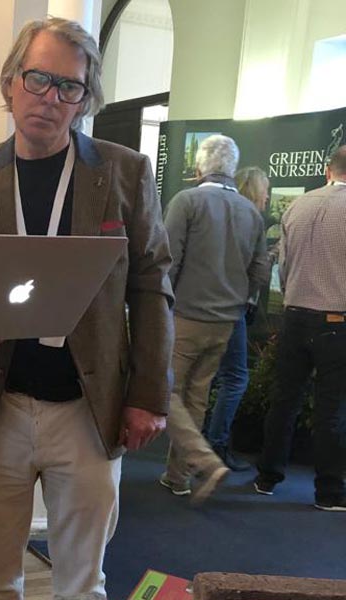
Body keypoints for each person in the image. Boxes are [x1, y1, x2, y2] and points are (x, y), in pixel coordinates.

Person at [0, 18, 173, 600]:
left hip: (88, 409)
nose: (50, 97)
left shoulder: (124, 172)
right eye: (38, 79)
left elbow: (152, 284)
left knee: (82, 582)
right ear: (11, 82)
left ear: (85, 100)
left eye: (69, 87)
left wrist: (148, 395)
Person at [161, 135, 270, 501]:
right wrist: (240, 302)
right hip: (227, 320)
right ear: (232, 170)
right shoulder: (251, 213)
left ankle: (204, 462)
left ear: (198, 167)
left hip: (186, 315)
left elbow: (167, 261)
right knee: (197, 395)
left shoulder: (186, 201)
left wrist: (159, 308)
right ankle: (178, 476)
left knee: (165, 390)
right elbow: (260, 270)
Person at [254, 145, 346, 511]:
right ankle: (329, 492)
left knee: (284, 400)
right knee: (332, 409)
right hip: (336, 321)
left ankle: (266, 477)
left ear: (327, 170)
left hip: (294, 314)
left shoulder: (298, 205)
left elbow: (284, 263)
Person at [206, 166, 270, 471]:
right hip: (232, 310)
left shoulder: (216, 215)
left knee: (202, 380)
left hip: (199, 309)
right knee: (236, 378)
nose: (268, 198)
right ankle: (216, 444)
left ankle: (190, 454)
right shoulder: (252, 219)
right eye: (265, 192)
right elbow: (258, 270)